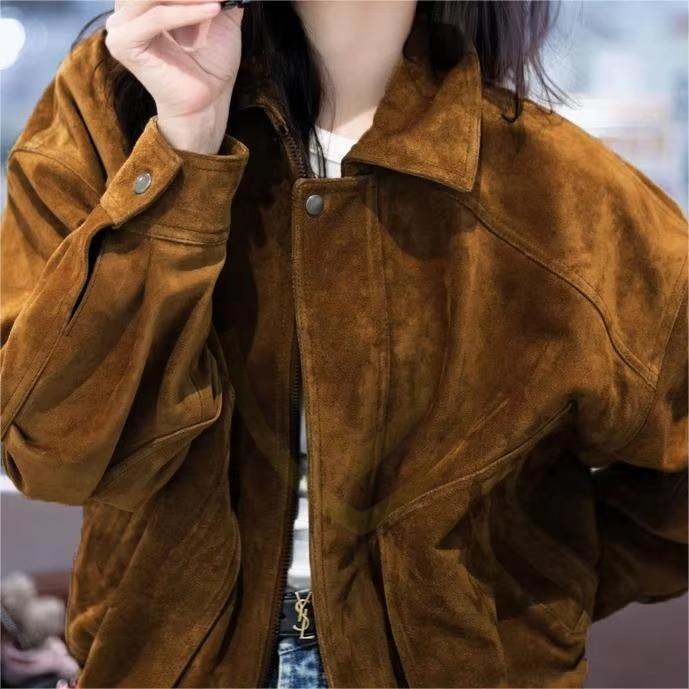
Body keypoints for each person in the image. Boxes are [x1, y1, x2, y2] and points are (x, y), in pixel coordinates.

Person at [1, 1, 687, 687]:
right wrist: (182, 150)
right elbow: (51, 452)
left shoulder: (560, 196)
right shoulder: (117, 105)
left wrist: (531, 589)